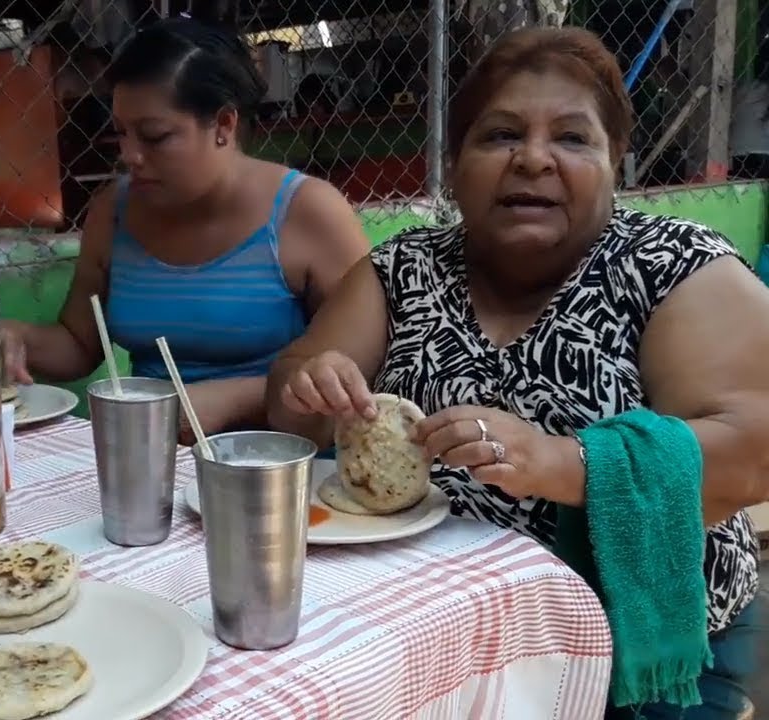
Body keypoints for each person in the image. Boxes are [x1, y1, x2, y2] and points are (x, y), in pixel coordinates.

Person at [265, 27, 766, 719]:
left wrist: (558, 462)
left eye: (572, 138)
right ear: (456, 161)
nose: (533, 159)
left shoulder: (674, 264)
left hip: (642, 653)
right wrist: (310, 383)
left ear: (615, 159)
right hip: (440, 634)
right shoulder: (405, 267)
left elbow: (753, 453)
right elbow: (290, 399)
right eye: (500, 136)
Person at [0, 17, 369, 443]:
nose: (130, 155)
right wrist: (18, 337)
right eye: (120, 133)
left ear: (225, 125)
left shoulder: (306, 212)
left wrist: (234, 398)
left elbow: (363, 364)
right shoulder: (113, 211)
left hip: (277, 471)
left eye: (154, 136)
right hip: (152, 460)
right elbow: (80, 343)